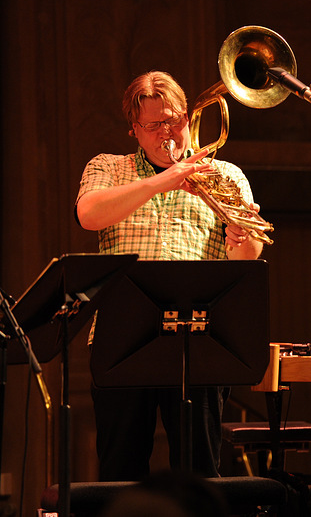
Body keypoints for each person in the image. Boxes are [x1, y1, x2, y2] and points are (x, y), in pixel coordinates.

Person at [75, 71, 264, 481]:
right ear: (134, 130)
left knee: (200, 473)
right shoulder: (109, 167)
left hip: (200, 337)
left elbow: (246, 259)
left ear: (189, 118)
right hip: (122, 338)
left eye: (174, 120)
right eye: (154, 125)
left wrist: (241, 237)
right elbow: (88, 214)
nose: (167, 133)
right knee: (119, 472)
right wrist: (163, 182)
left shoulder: (226, 175)